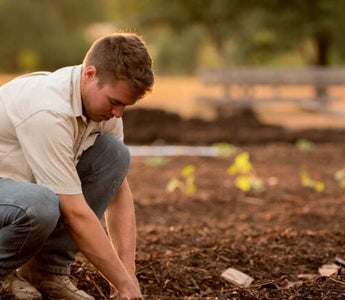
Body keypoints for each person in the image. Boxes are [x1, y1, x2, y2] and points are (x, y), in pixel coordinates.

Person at [0, 32, 154, 300]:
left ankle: (45, 271)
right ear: (90, 74)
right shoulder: (48, 111)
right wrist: (123, 283)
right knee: (41, 204)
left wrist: (126, 275)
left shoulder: (103, 110)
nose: (118, 114)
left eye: (125, 106)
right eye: (115, 102)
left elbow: (118, 192)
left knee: (114, 155)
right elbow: (75, 212)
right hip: (9, 194)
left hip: (17, 190)